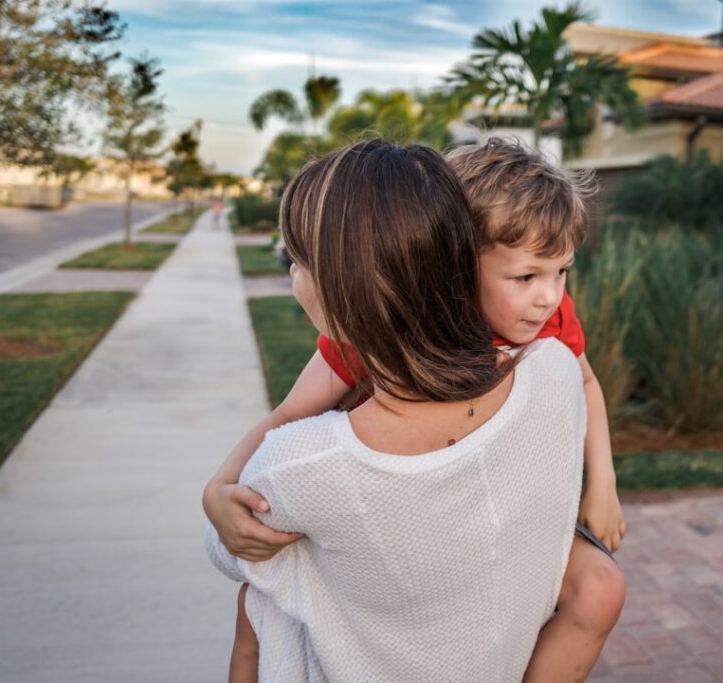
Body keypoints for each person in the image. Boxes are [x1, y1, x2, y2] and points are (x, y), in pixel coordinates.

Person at [205, 138, 626, 682]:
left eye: (560, 273)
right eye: (526, 277)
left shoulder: (545, 344)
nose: (548, 297)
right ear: (451, 258)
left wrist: (603, 485)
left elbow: (238, 546)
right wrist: (217, 489)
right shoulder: (383, 348)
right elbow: (288, 414)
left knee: (599, 587)